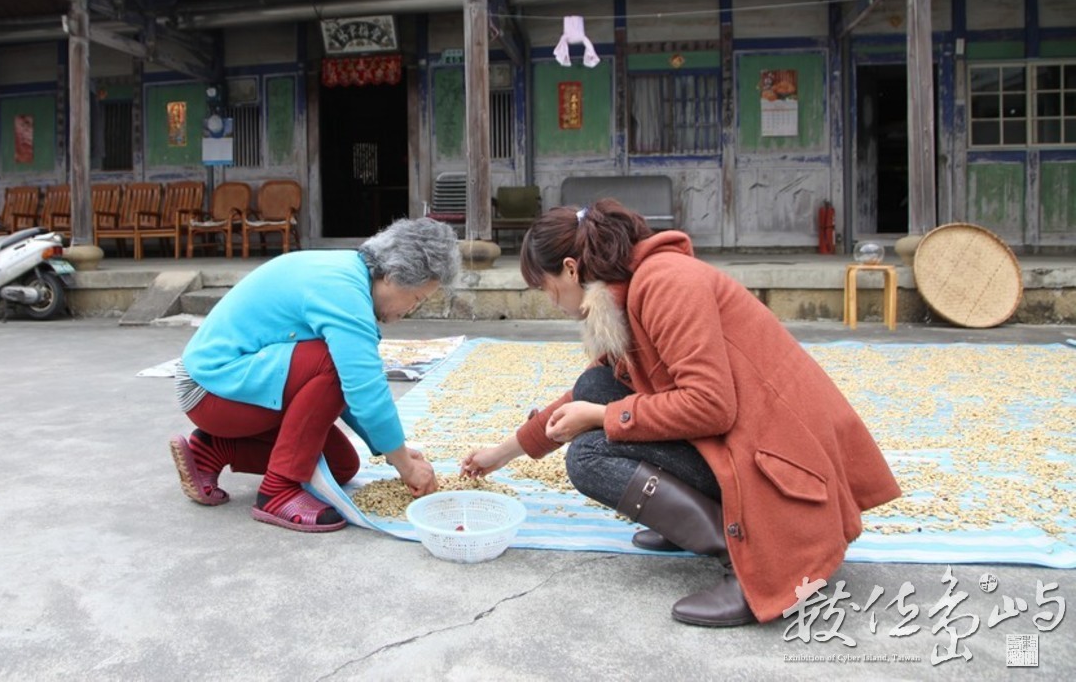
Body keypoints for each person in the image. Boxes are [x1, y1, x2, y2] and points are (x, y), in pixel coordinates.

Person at [461, 200, 901, 627]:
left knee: (589, 456)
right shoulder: (628, 289)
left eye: (546, 288)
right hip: (744, 443)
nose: (551, 302)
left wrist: (602, 418)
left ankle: (749, 564)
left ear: (572, 269)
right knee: (597, 386)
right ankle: (688, 519)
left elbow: (711, 406)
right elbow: (586, 392)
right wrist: (501, 454)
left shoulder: (666, 283)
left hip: (776, 463)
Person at [169, 216, 460, 533]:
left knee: (341, 466)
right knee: (332, 363)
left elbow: (351, 393)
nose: (411, 311)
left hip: (231, 385)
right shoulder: (343, 291)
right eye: (416, 299)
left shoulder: (349, 274)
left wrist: (394, 454)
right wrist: (406, 466)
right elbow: (363, 388)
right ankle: (278, 491)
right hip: (210, 389)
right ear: (392, 275)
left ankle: (211, 450)